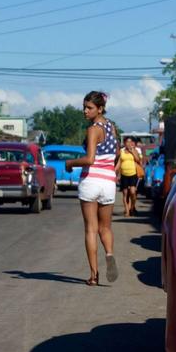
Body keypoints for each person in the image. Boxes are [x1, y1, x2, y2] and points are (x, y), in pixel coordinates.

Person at [65, 91, 119, 286]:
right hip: (108, 183)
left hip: (91, 181)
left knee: (90, 229)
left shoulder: (93, 129)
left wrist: (70, 162)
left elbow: (89, 159)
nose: (85, 111)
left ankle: (94, 275)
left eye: (89, 108)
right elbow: (117, 156)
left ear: (100, 108)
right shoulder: (112, 127)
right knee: (106, 227)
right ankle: (110, 254)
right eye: (84, 107)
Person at [115, 136, 141, 216]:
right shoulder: (122, 151)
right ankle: (127, 210)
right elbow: (119, 163)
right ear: (125, 143)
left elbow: (138, 160)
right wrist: (113, 172)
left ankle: (132, 207)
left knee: (133, 192)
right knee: (125, 193)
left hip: (133, 174)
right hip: (124, 175)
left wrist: (132, 151)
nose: (129, 143)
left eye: (130, 142)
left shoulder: (135, 150)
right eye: (127, 142)